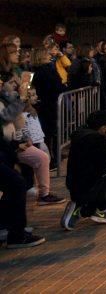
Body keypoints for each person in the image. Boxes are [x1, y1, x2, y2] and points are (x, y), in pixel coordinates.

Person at [1, 82, 46, 249]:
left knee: (15, 184)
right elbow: (7, 117)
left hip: (8, 148)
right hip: (6, 149)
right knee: (16, 184)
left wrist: (14, 146)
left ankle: (9, 226)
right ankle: (15, 234)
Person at [30, 47, 66, 164]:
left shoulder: (37, 71)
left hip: (44, 104)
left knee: (48, 133)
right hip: (49, 105)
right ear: (41, 56)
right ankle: (52, 159)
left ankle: (52, 157)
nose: (50, 55)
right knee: (50, 133)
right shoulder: (48, 70)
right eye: (47, 54)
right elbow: (56, 86)